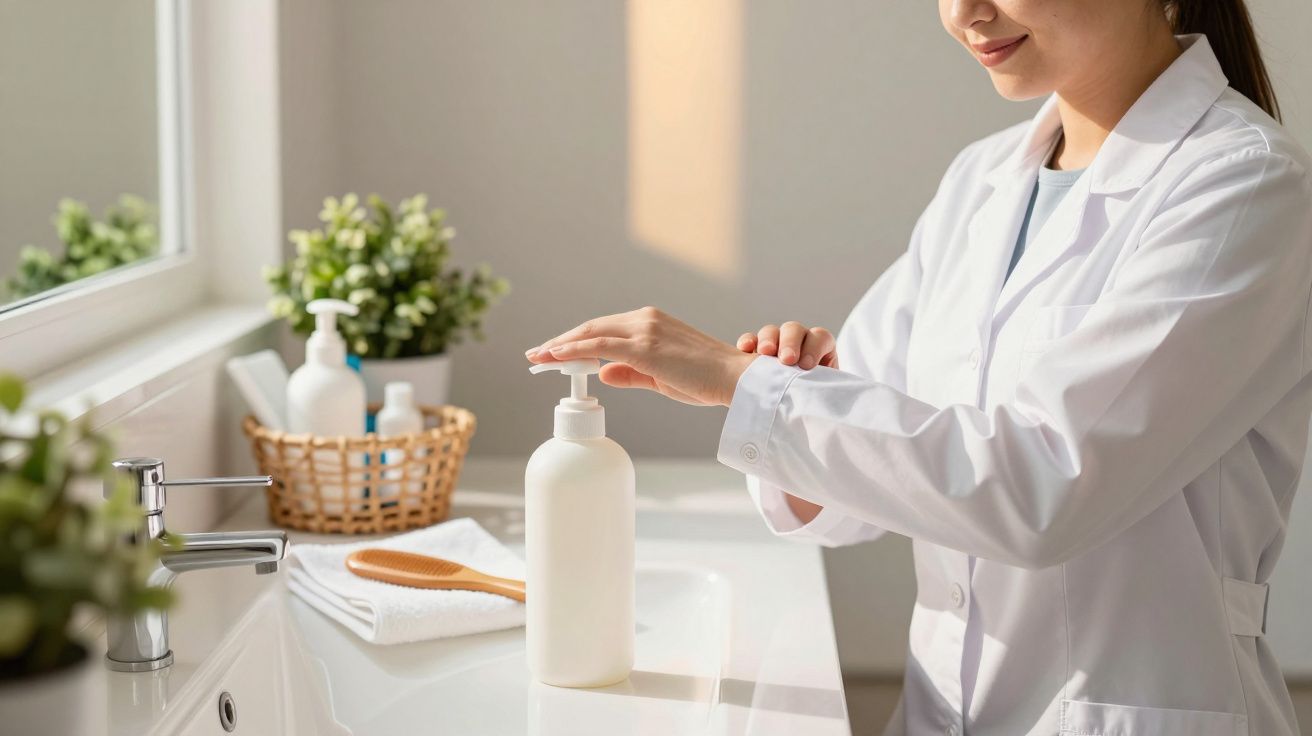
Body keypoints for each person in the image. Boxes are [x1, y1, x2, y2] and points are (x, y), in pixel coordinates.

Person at [526, 0, 1312, 732]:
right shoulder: (984, 179)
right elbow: (860, 495)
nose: (964, 13)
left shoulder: (1243, 183)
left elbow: (1043, 489)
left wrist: (746, 388)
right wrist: (801, 386)